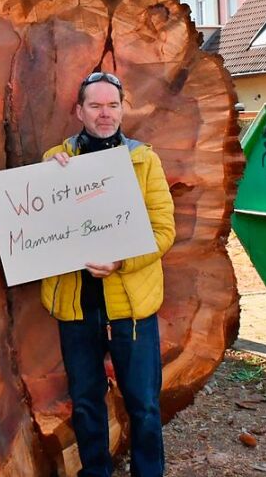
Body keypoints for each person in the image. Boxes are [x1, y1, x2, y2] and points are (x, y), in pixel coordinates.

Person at [41, 71, 176, 477]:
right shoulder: (55, 161)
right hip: (78, 307)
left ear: (122, 109)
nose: (105, 114)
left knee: (145, 405)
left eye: (112, 105)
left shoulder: (144, 160)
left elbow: (163, 230)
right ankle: (95, 471)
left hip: (129, 308)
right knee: (85, 401)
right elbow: (40, 226)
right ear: (78, 110)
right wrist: (48, 176)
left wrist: (121, 262)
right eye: (96, 106)